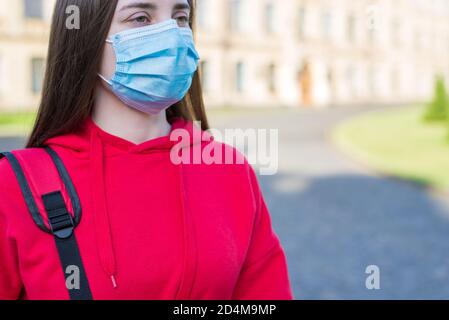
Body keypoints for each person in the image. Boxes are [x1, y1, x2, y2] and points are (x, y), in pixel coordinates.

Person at [0, 0, 293, 300]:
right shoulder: (15, 183)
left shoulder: (230, 170)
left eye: (180, 17)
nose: (170, 33)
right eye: (140, 17)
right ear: (85, 33)